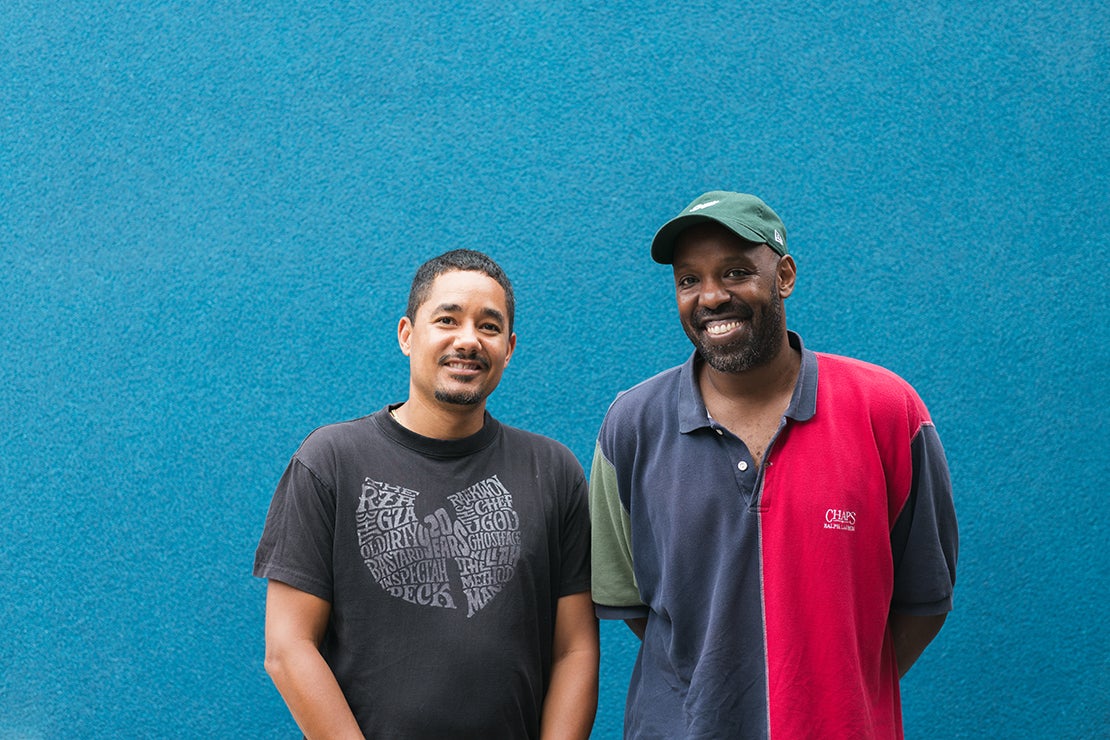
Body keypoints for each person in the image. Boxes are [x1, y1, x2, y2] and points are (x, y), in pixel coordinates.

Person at [590, 191, 958, 739]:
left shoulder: (887, 413)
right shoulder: (631, 425)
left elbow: (924, 601)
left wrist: (833, 691)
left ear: (784, 276)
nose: (711, 296)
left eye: (736, 273)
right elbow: (635, 605)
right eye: (689, 279)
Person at [255, 249, 598, 739]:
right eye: (447, 319)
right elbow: (288, 647)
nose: (468, 340)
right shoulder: (331, 462)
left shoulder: (553, 471)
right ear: (407, 335)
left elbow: (575, 650)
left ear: (509, 348)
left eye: (489, 326)